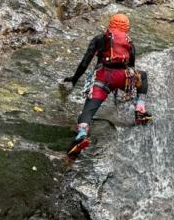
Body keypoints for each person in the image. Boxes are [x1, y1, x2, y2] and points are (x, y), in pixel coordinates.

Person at [63, 13, 151, 157]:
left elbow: (85, 62)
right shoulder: (129, 42)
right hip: (123, 77)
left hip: (102, 78)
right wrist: (121, 87)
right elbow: (131, 67)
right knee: (143, 76)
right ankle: (140, 109)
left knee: (88, 112)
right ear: (127, 28)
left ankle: (81, 134)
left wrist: (74, 78)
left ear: (110, 24)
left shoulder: (100, 38)